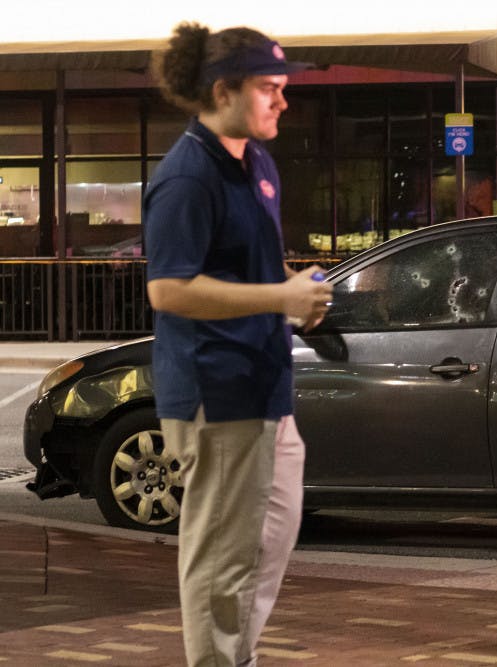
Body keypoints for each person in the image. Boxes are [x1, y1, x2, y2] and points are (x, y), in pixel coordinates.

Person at [143, 22, 332, 666]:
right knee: (222, 562)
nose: (283, 101)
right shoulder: (186, 176)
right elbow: (169, 291)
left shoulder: (255, 161)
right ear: (224, 90)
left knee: (262, 549)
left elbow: (249, 268)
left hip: (262, 387)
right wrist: (280, 299)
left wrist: (294, 291)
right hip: (216, 395)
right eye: (270, 88)